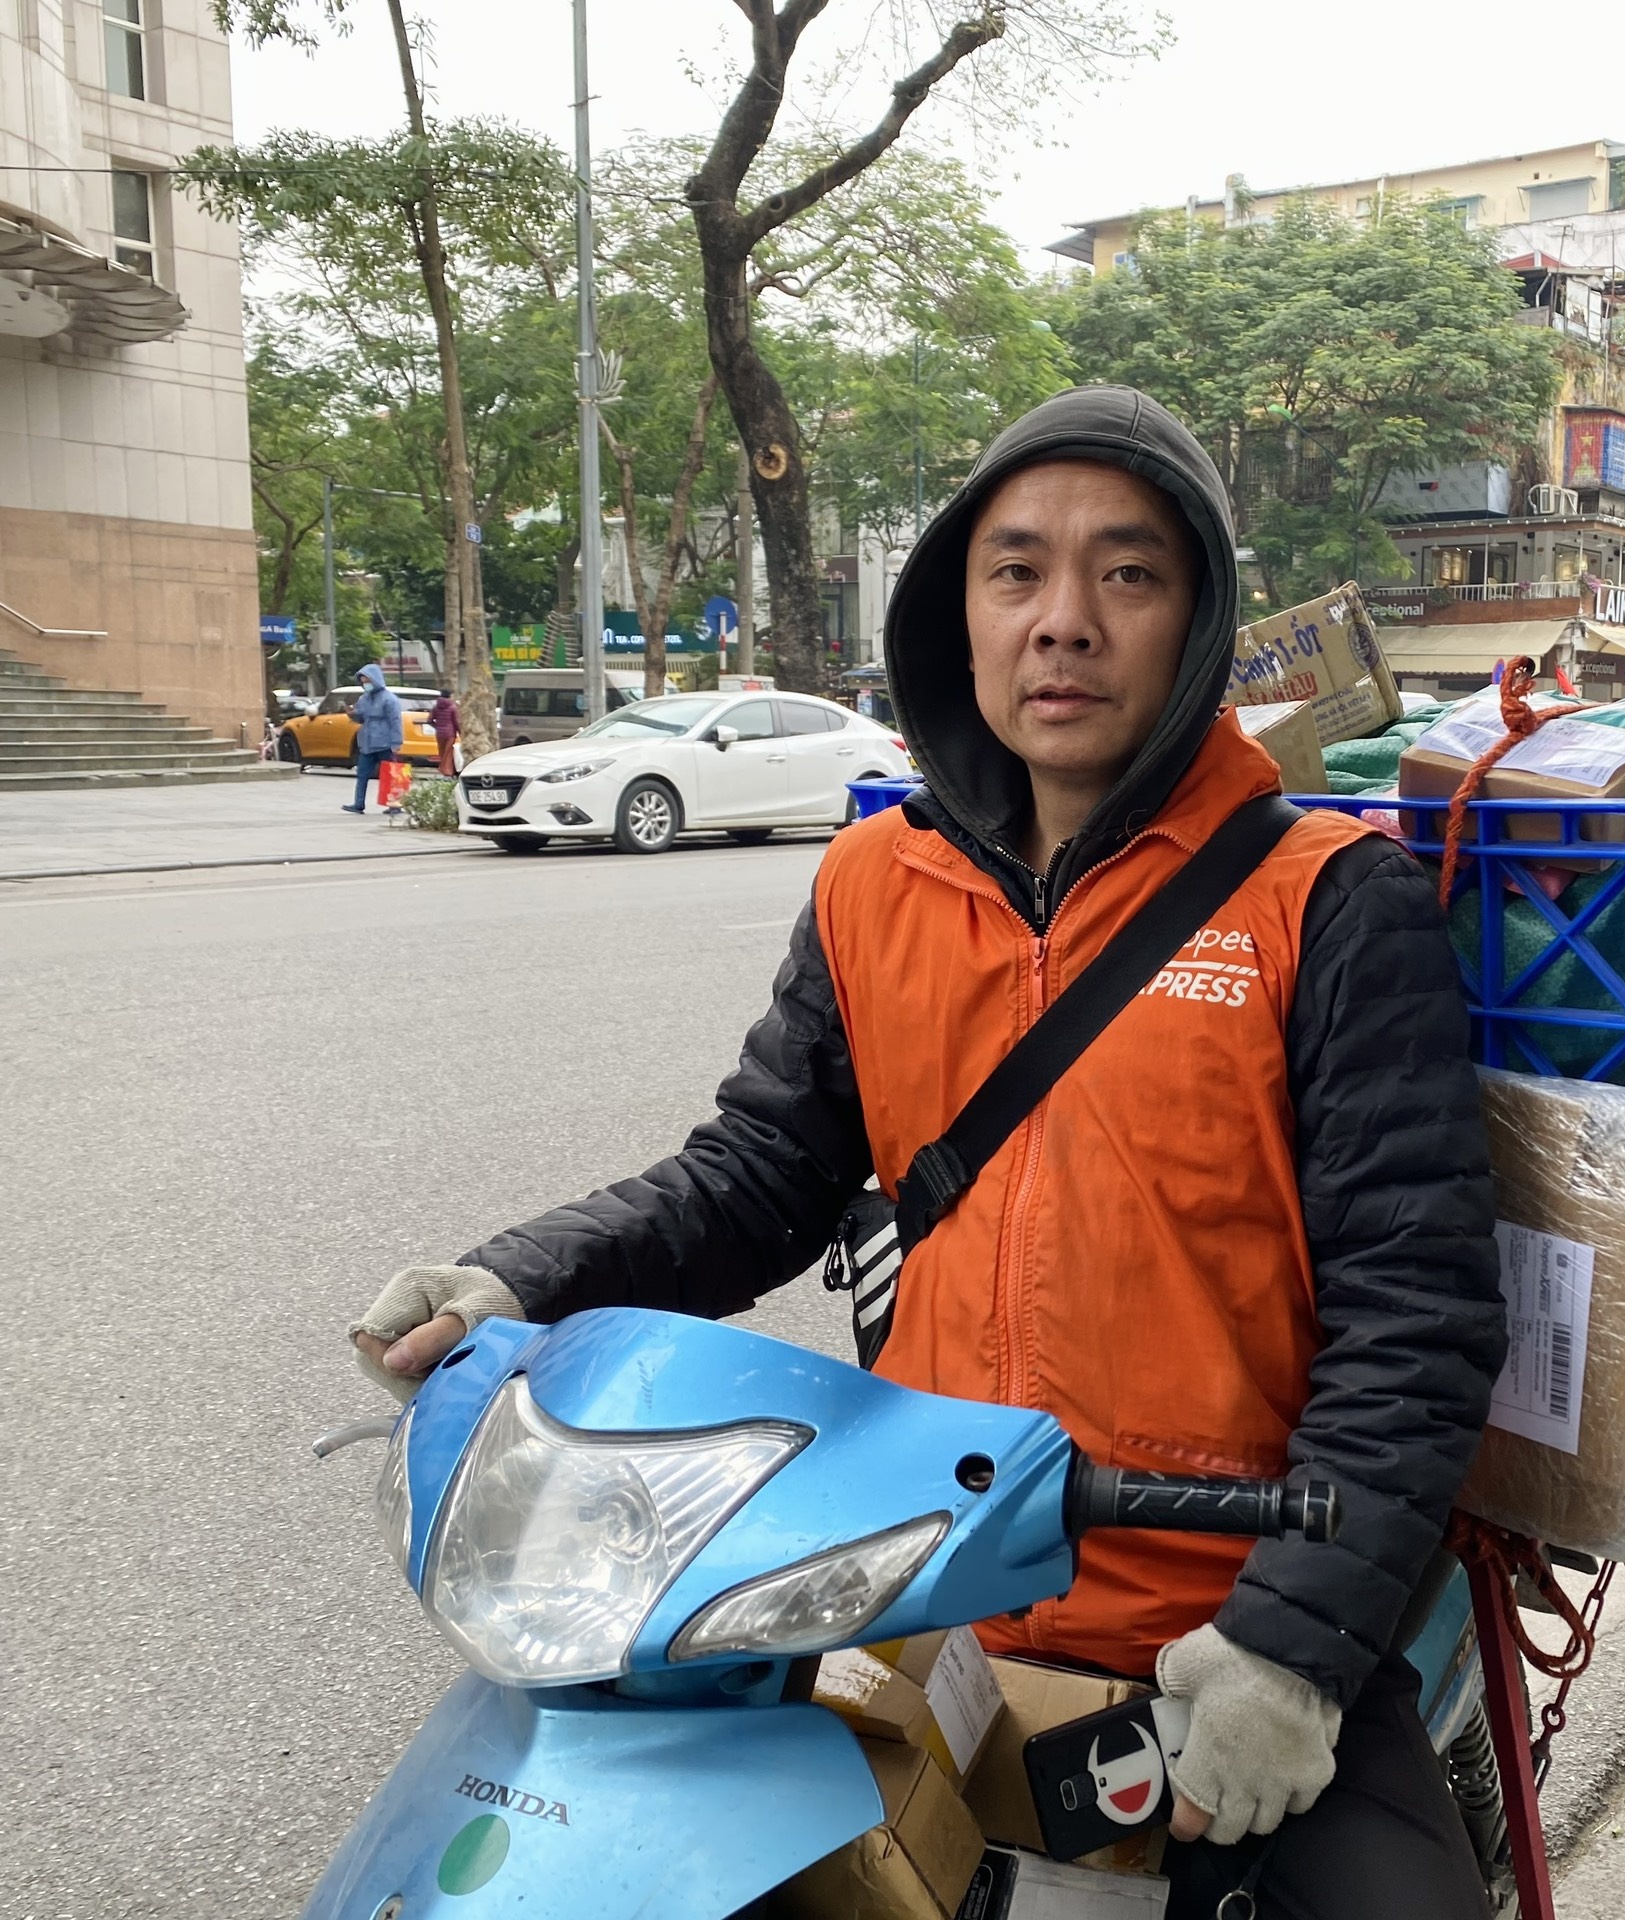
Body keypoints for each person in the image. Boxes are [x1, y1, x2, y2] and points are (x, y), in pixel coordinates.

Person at [346, 387, 1506, 1920]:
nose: (1066, 622)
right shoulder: (869, 884)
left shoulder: (1328, 901)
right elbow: (758, 1171)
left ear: (1198, 617)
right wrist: (518, 1277)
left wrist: (1294, 1648)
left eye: (1130, 573)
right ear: (957, 614)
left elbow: (1414, 1325)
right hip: (923, 1595)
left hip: (1224, 1609)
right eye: (1016, 571)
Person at [344, 663, 405, 813]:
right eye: (363, 682)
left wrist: (396, 742)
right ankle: (358, 804)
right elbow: (361, 719)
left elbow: (395, 721)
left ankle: (394, 805)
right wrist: (352, 714)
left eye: (368, 682)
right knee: (362, 774)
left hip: (385, 742)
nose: (365, 685)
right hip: (367, 743)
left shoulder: (389, 699)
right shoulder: (363, 699)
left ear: (375, 680)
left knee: (392, 774)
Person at [429, 688, 459, 776]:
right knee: (448, 752)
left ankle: (442, 769)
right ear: (449, 696)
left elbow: (429, 720)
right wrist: (459, 731)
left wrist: (437, 726)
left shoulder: (436, 707)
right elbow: (455, 721)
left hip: (439, 733)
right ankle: (447, 771)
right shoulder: (453, 707)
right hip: (450, 733)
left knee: (442, 752)